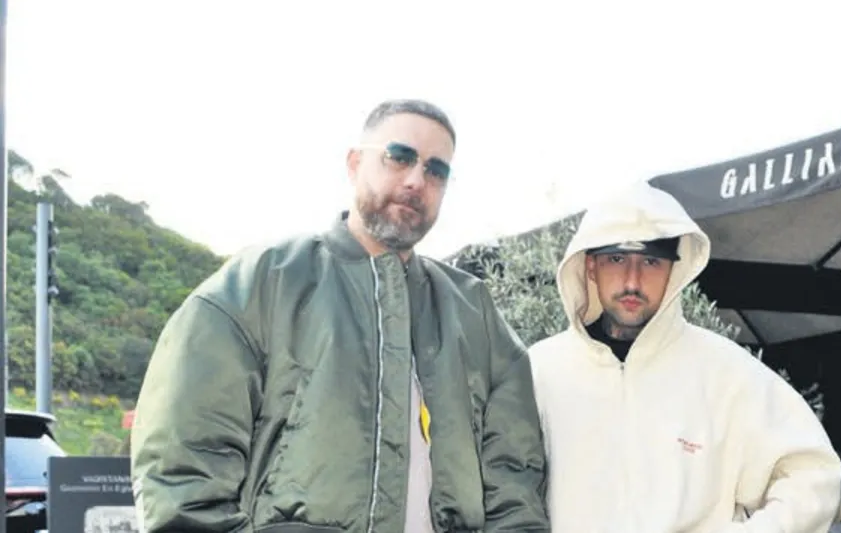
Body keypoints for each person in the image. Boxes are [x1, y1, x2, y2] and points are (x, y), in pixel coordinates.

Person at [131, 100, 549, 533]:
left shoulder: (475, 314)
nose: (415, 180)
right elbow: (182, 475)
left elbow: (515, 489)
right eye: (399, 157)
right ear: (354, 163)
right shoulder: (261, 284)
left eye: (436, 170)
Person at [529, 181, 841, 532]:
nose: (632, 281)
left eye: (651, 261)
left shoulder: (725, 372)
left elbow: (812, 474)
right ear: (590, 267)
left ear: (674, 271)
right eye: (616, 259)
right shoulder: (539, 371)